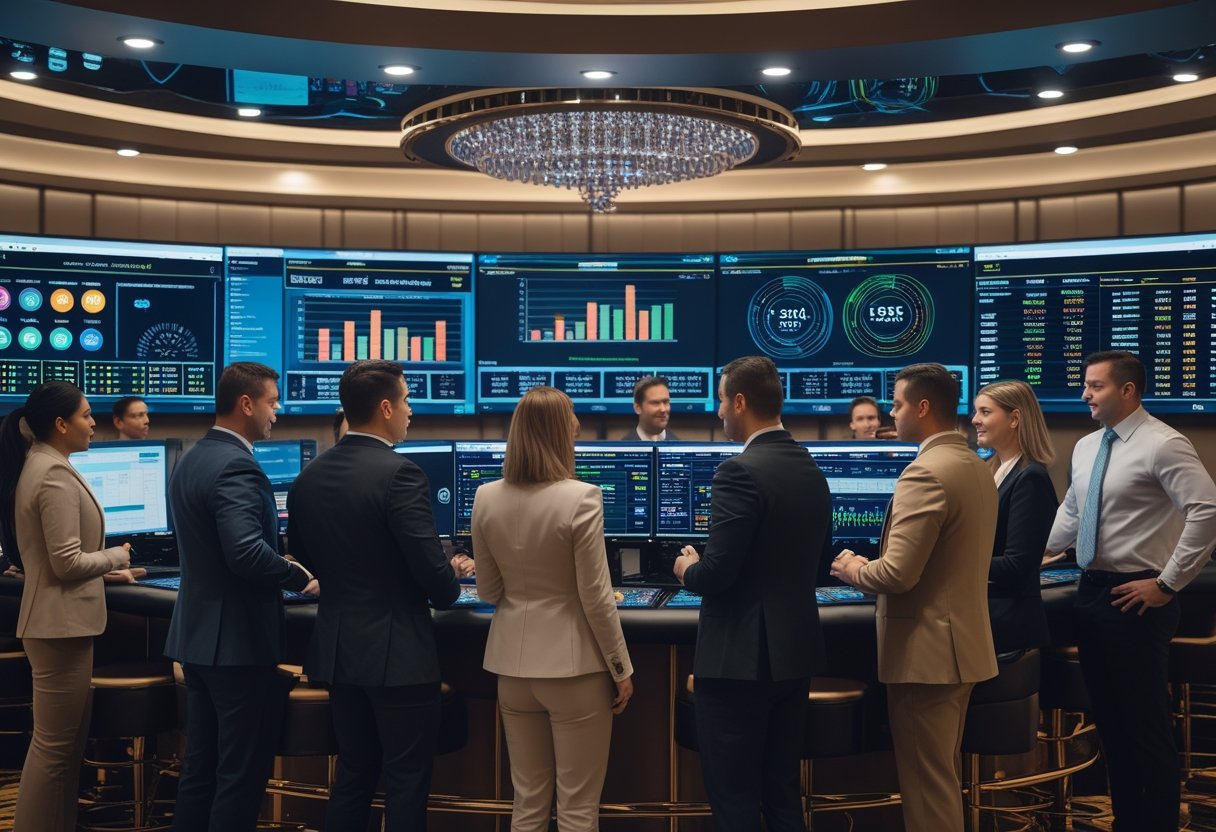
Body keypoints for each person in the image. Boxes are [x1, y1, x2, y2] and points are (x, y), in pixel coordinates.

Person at [287, 360, 467, 831]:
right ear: (386, 408)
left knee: (354, 773)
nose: (411, 411)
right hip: (398, 656)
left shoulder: (308, 478)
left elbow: (306, 559)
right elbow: (440, 588)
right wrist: (450, 573)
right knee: (407, 780)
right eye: (406, 401)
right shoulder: (401, 475)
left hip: (339, 651)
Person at [1045, 350, 1216, 832]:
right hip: (1091, 592)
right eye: (1085, 385)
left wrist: (1167, 583)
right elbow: (1074, 513)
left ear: (1128, 391)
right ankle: (1126, 821)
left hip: (1138, 598)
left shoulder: (1164, 443)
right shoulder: (1086, 446)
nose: (1084, 394)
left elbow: (1206, 510)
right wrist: (1039, 552)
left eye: (1095, 386)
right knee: (1112, 727)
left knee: (1145, 729)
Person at [831, 363, 997, 832]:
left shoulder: (924, 472)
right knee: (941, 778)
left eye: (898, 403)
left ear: (923, 408)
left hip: (927, 657)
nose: (890, 412)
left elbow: (897, 574)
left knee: (927, 789)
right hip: (959, 650)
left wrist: (852, 568)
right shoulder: (975, 464)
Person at [672, 355, 831, 831]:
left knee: (735, 799)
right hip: (793, 657)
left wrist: (686, 568)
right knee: (782, 793)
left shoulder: (738, 472)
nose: (718, 412)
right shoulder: (810, 468)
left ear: (739, 401)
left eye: (721, 401)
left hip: (739, 661)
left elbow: (716, 575)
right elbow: (820, 565)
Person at [473, 386, 634, 831]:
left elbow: (488, 590)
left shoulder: (485, 496)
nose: (578, 426)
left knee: (527, 803)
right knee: (578, 808)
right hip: (574, 669)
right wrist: (620, 668)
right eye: (573, 420)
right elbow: (597, 597)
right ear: (561, 432)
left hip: (512, 669)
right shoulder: (582, 497)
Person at [165, 362, 317, 832]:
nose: (278, 411)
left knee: (201, 770)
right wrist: (299, 577)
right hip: (237, 646)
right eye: (273, 402)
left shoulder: (193, 457)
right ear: (246, 404)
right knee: (240, 776)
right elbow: (246, 552)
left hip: (198, 641)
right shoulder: (237, 464)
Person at [0, 382, 131, 832]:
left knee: (63, 751)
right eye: (87, 415)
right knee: (54, 751)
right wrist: (115, 556)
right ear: (61, 424)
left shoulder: (44, 463)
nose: (94, 423)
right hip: (59, 626)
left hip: (61, 622)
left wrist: (101, 570)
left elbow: (60, 558)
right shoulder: (52, 473)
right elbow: (66, 561)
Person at [972, 380, 1056, 653]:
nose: (975, 420)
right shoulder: (990, 470)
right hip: (989, 618)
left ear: (1015, 418)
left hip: (1010, 626)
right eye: (976, 412)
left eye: (985, 412)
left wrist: (955, 562)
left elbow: (1018, 565)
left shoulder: (1031, 477)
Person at [621, 376, 679, 440]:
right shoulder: (622, 448)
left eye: (666, 402)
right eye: (655, 403)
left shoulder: (680, 447)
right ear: (637, 408)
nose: (663, 409)